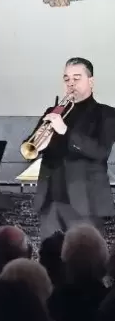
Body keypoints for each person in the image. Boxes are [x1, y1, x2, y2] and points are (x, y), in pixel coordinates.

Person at [24, 58, 115, 239]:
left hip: (86, 204)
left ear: (91, 81)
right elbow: (29, 146)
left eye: (76, 78)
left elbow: (100, 152)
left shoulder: (106, 114)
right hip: (50, 202)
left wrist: (65, 131)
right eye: (67, 79)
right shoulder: (54, 111)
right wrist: (39, 144)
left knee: (85, 261)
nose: (71, 84)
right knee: (50, 260)